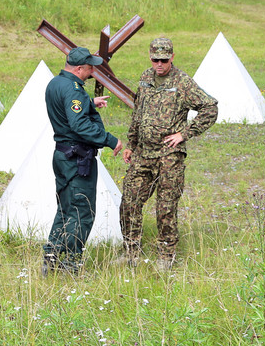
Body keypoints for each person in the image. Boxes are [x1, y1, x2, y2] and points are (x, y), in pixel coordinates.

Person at [120, 37, 217, 270]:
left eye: (164, 60)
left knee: (165, 208)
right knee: (129, 202)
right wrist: (131, 144)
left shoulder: (182, 82)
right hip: (143, 154)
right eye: (155, 60)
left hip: (169, 156)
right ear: (150, 57)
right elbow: (138, 113)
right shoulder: (145, 78)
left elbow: (210, 106)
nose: (160, 64)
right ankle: (131, 251)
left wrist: (185, 133)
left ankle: (166, 255)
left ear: (172, 57)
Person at [42, 46, 123, 275]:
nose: (92, 72)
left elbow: (68, 111)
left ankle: (52, 256)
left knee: (65, 208)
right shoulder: (74, 90)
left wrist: (89, 102)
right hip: (77, 159)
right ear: (78, 68)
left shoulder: (56, 83)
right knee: (82, 211)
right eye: (89, 68)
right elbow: (78, 125)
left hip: (62, 155)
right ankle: (70, 263)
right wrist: (109, 139)